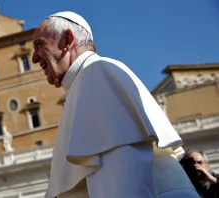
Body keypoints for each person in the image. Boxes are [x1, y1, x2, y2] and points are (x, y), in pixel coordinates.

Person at [32, 11, 200, 198]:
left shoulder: (96, 73)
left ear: (67, 40)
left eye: (39, 45)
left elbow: (125, 172)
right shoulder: (83, 83)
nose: (34, 58)